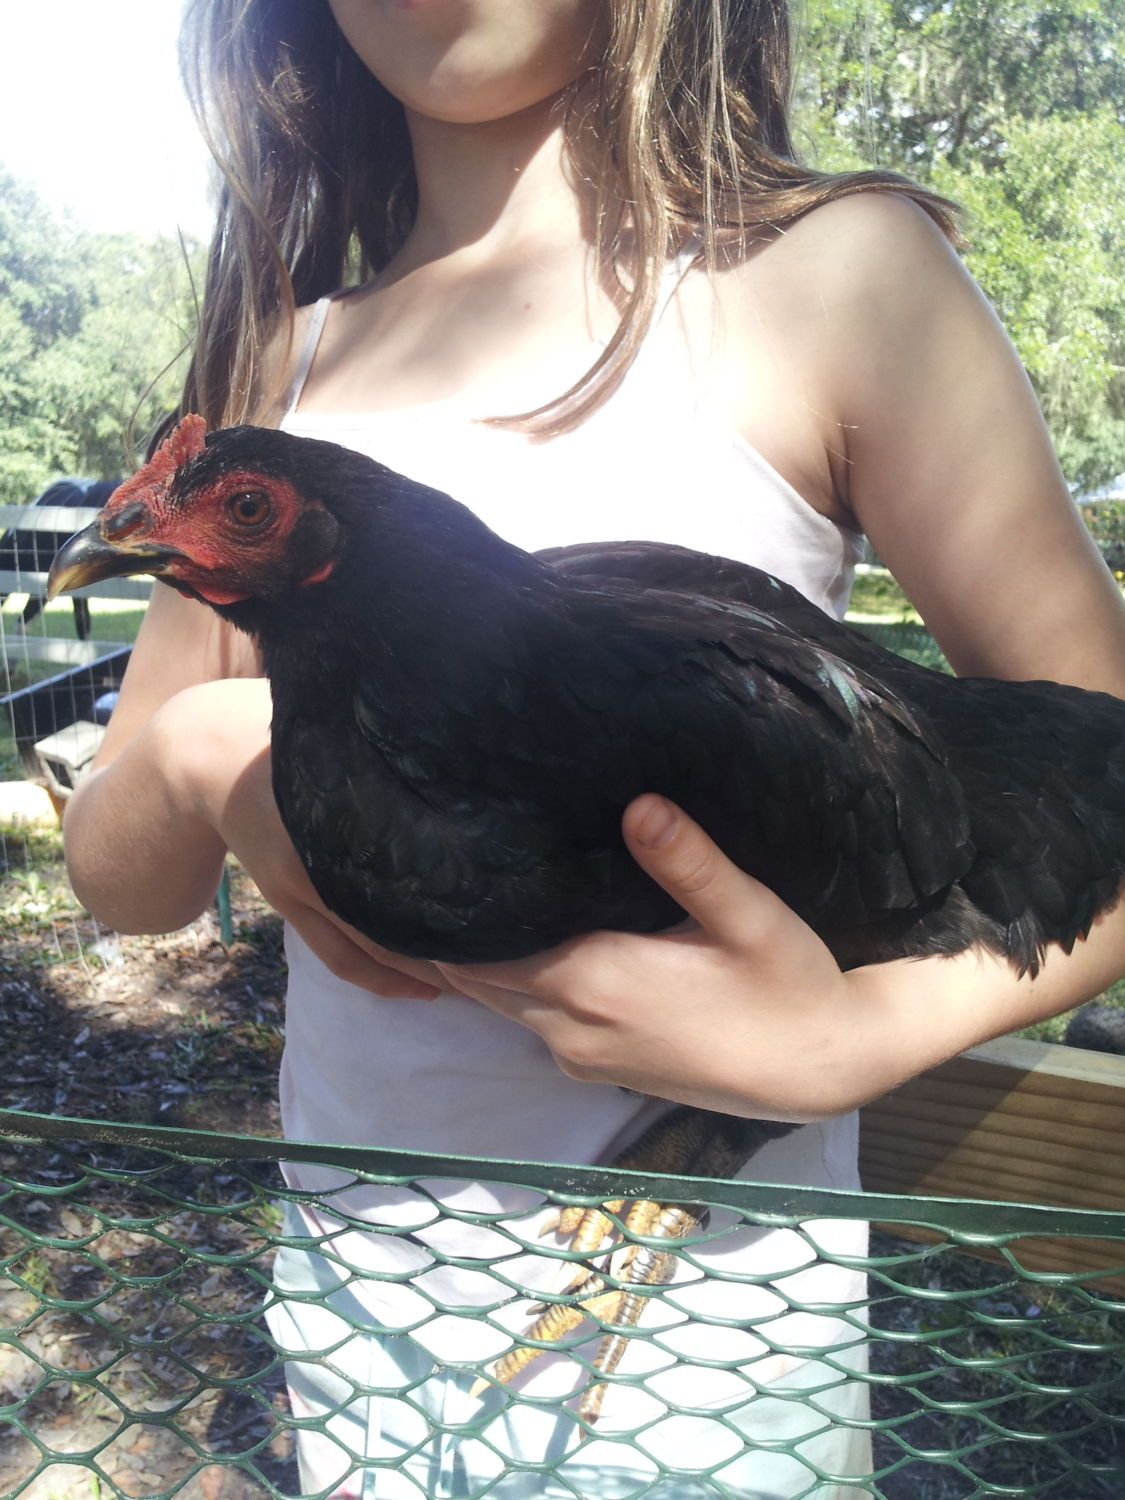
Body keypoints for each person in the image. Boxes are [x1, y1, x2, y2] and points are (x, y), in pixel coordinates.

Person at [62, 0, 1125, 1495]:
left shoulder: (838, 280)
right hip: (360, 1286)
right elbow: (122, 883)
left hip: (720, 1347)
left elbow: (1107, 776)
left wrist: (856, 1039)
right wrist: (190, 754)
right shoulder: (283, 360)